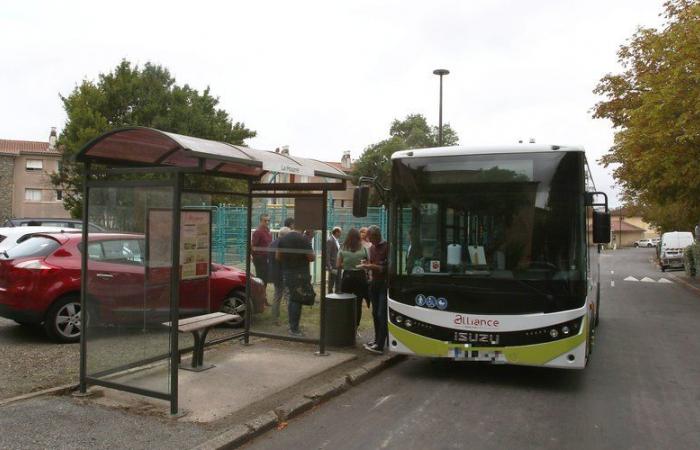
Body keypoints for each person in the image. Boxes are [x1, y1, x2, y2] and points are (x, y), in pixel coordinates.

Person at [276, 228, 314, 336]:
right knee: (297, 300)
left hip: (288, 273)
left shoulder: (283, 239)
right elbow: (311, 258)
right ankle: (294, 329)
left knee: (293, 298)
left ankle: (292, 326)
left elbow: (278, 257)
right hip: (301, 273)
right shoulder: (304, 240)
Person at [359, 225, 389, 354]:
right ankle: (377, 340)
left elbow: (386, 267)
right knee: (375, 313)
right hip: (374, 283)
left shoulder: (387, 247)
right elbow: (372, 263)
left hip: (384, 283)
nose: (369, 240)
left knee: (381, 314)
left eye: (370, 237)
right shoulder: (371, 248)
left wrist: (372, 266)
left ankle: (381, 344)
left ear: (376, 236)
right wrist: (367, 265)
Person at [337, 228, 368, 327]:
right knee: (358, 303)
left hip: (347, 276)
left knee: (345, 301)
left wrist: (346, 265)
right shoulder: (363, 248)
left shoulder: (342, 248)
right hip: (360, 277)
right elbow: (367, 262)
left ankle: (346, 323)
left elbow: (338, 265)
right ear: (358, 237)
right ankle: (356, 325)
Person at [268, 227, 291, 323]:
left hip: (274, 273)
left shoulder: (272, 244)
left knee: (277, 296)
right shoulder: (284, 245)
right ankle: (292, 319)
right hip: (283, 273)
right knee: (288, 296)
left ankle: (274, 318)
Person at [251, 214, 272, 288]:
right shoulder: (258, 231)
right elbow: (252, 245)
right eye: (265, 220)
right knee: (261, 278)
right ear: (261, 221)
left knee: (265, 278)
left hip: (266, 258)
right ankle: (260, 294)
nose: (267, 222)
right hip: (260, 258)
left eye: (268, 220)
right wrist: (253, 256)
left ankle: (263, 293)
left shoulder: (268, 231)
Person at [326, 227, 342, 294]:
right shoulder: (330, 240)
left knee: (338, 280)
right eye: (340, 232)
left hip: (337, 264)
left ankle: (337, 293)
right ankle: (330, 295)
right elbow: (327, 254)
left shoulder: (336, 240)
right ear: (336, 232)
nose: (341, 234)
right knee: (332, 281)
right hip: (333, 265)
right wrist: (329, 266)